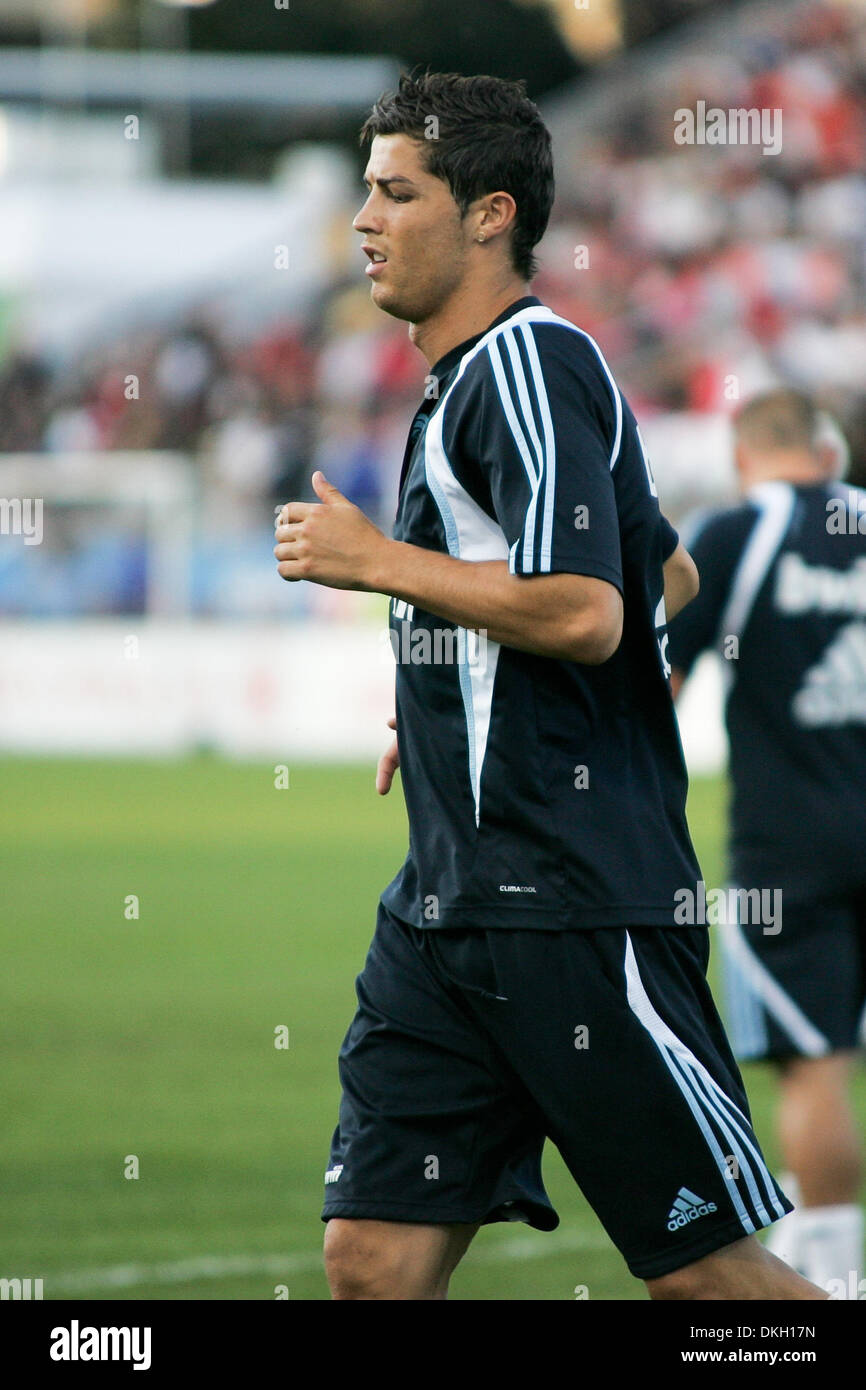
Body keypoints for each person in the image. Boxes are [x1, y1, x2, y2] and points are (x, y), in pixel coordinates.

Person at [274, 71, 824, 1300]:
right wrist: (451, 683)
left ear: (488, 214)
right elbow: (666, 571)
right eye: (364, 189)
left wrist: (375, 563)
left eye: (394, 191)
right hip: (447, 906)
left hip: (573, 901)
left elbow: (588, 607)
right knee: (368, 1262)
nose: (362, 218)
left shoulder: (529, 363)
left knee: (707, 1280)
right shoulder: (464, 381)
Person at [667, 388, 866, 1298]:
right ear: (824, 453)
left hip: (789, 846)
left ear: (744, 453)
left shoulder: (737, 533)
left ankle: (831, 1268)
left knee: (813, 1062)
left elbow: (656, 679)